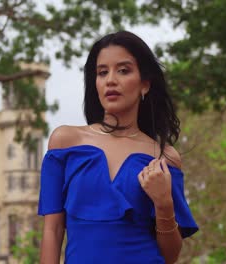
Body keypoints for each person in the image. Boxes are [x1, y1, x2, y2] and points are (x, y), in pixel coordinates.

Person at [38, 31, 198, 264]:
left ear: (144, 84)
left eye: (123, 70)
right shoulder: (65, 141)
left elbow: (170, 256)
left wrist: (164, 203)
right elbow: (52, 231)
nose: (111, 80)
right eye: (103, 72)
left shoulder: (164, 157)